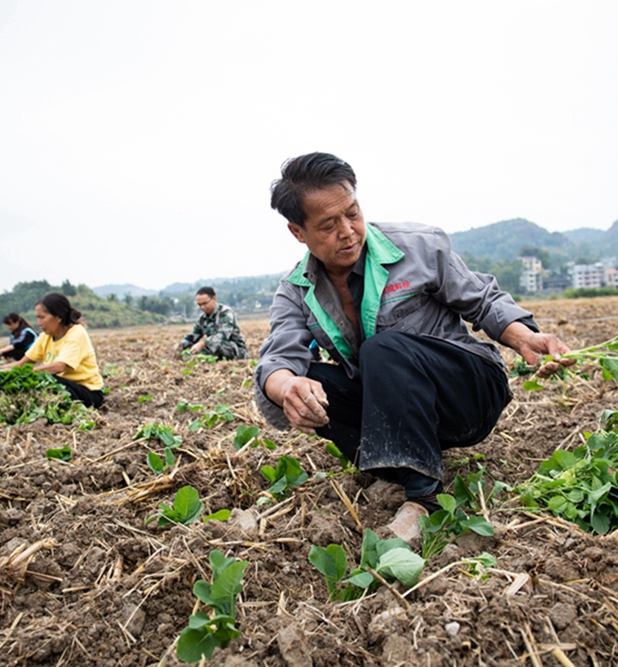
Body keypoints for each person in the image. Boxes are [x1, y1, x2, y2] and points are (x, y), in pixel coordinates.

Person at [255, 152, 573, 542]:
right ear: (298, 233)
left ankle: (424, 501)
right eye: (328, 225)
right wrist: (288, 387)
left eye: (352, 214)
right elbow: (279, 358)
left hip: (466, 392)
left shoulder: (418, 247)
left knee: (382, 349)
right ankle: (398, 470)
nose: (349, 231)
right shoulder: (295, 291)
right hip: (401, 410)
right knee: (313, 379)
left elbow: (483, 301)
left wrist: (524, 336)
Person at [0, 292, 105, 408]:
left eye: (42, 317)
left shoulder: (76, 333)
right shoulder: (45, 336)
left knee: (47, 379)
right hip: (63, 386)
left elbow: (59, 367)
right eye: (37, 318)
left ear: (58, 317)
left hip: (88, 392)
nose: (38, 323)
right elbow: (22, 363)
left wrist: (25, 374)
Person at [172, 286, 248, 360]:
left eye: (205, 303)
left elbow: (222, 336)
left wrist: (203, 343)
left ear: (214, 299)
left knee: (215, 345)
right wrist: (180, 345)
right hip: (214, 348)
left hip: (234, 349)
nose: (202, 307)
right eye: (199, 304)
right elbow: (193, 336)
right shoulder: (202, 318)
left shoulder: (225, 312)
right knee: (193, 349)